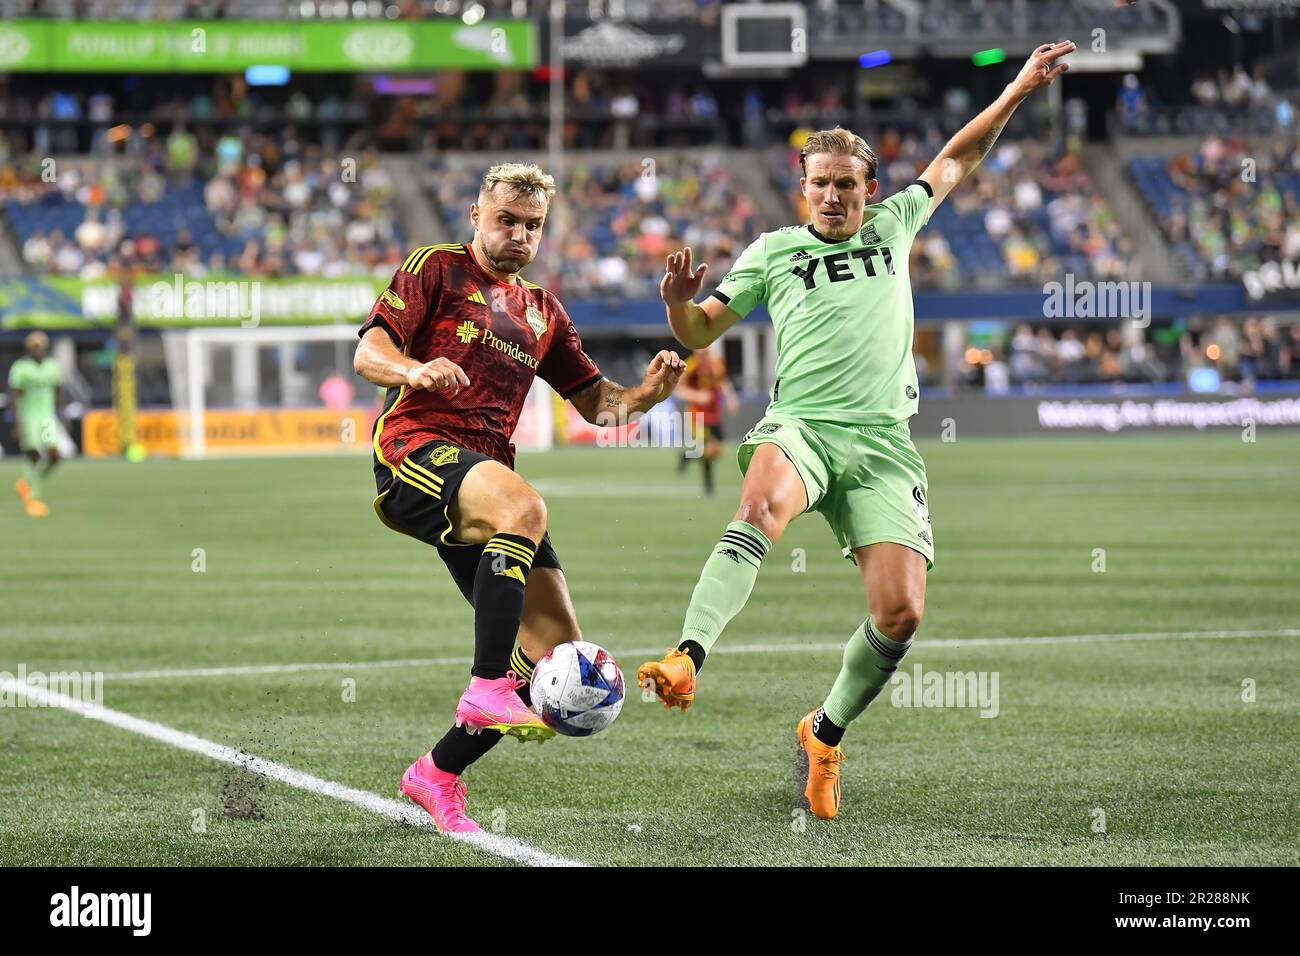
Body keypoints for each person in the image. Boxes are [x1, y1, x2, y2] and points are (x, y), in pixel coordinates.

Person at [638, 41, 1076, 820]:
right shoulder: (773, 252)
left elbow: (956, 158)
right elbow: (700, 333)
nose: (833, 197)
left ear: (869, 189)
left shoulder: (897, 221)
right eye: (820, 186)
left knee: (901, 614)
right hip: (801, 426)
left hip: (882, 444)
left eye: (846, 185)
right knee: (757, 510)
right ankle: (687, 653)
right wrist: (675, 302)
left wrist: (1015, 88)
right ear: (800, 189)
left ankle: (824, 731)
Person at [353, 163, 684, 833]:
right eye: (507, 220)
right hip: (414, 451)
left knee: (553, 659)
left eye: (532, 225)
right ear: (477, 215)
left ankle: (436, 773)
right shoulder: (436, 270)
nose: (519, 235)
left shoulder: (543, 312)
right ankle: (484, 686)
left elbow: (599, 404)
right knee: (525, 510)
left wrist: (645, 395)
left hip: (482, 477)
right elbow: (369, 351)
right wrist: (414, 369)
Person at [9, 331, 62, 518]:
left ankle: (27, 483)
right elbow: (15, 396)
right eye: (34, 347)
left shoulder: (52, 367)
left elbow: (57, 392)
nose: (37, 350)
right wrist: (16, 422)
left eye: (40, 346)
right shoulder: (21, 368)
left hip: (47, 418)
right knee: (33, 454)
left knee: (54, 455)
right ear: (29, 349)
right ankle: (33, 496)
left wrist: (61, 416)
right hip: (29, 416)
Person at [675, 347, 738, 495]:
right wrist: (697, 396)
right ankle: (708, 486)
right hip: (697, 415)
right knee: (707, 447)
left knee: (718, 450)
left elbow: (723, 381)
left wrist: (730, 398)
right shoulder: (690, 365)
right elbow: (679, 390)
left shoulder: (716, 362)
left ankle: (686, 457)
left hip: (714, 413)